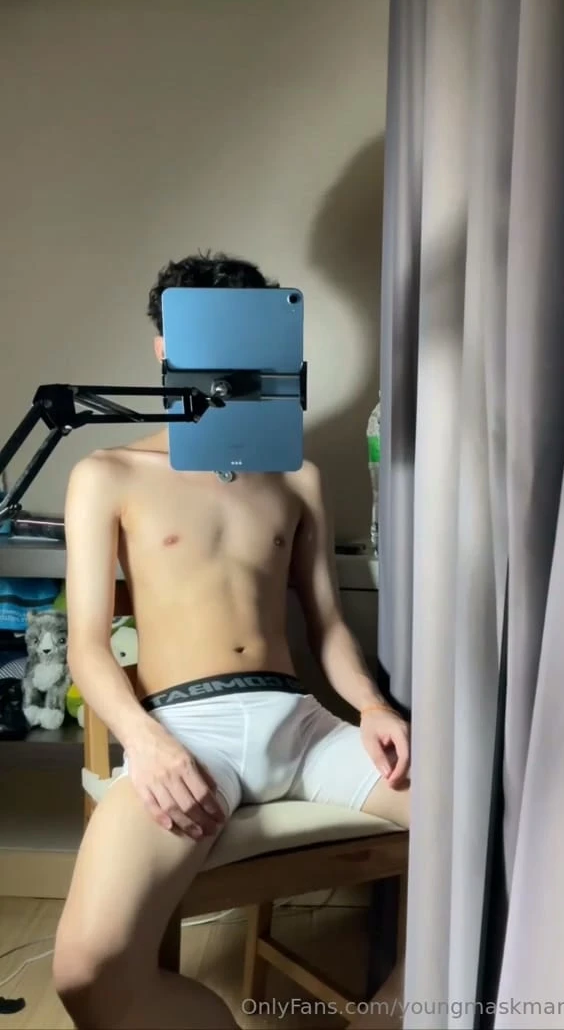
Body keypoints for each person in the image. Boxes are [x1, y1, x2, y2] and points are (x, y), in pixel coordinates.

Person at [52, 251, 410, 1030]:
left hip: (304, 727)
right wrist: (145, 742)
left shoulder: (298, 475)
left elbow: (327, 626)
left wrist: (374, 708)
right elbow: (87, 646)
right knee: (86, 972)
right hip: (186, 733)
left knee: (487, 814)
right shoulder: (106, 473)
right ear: (165, 348)